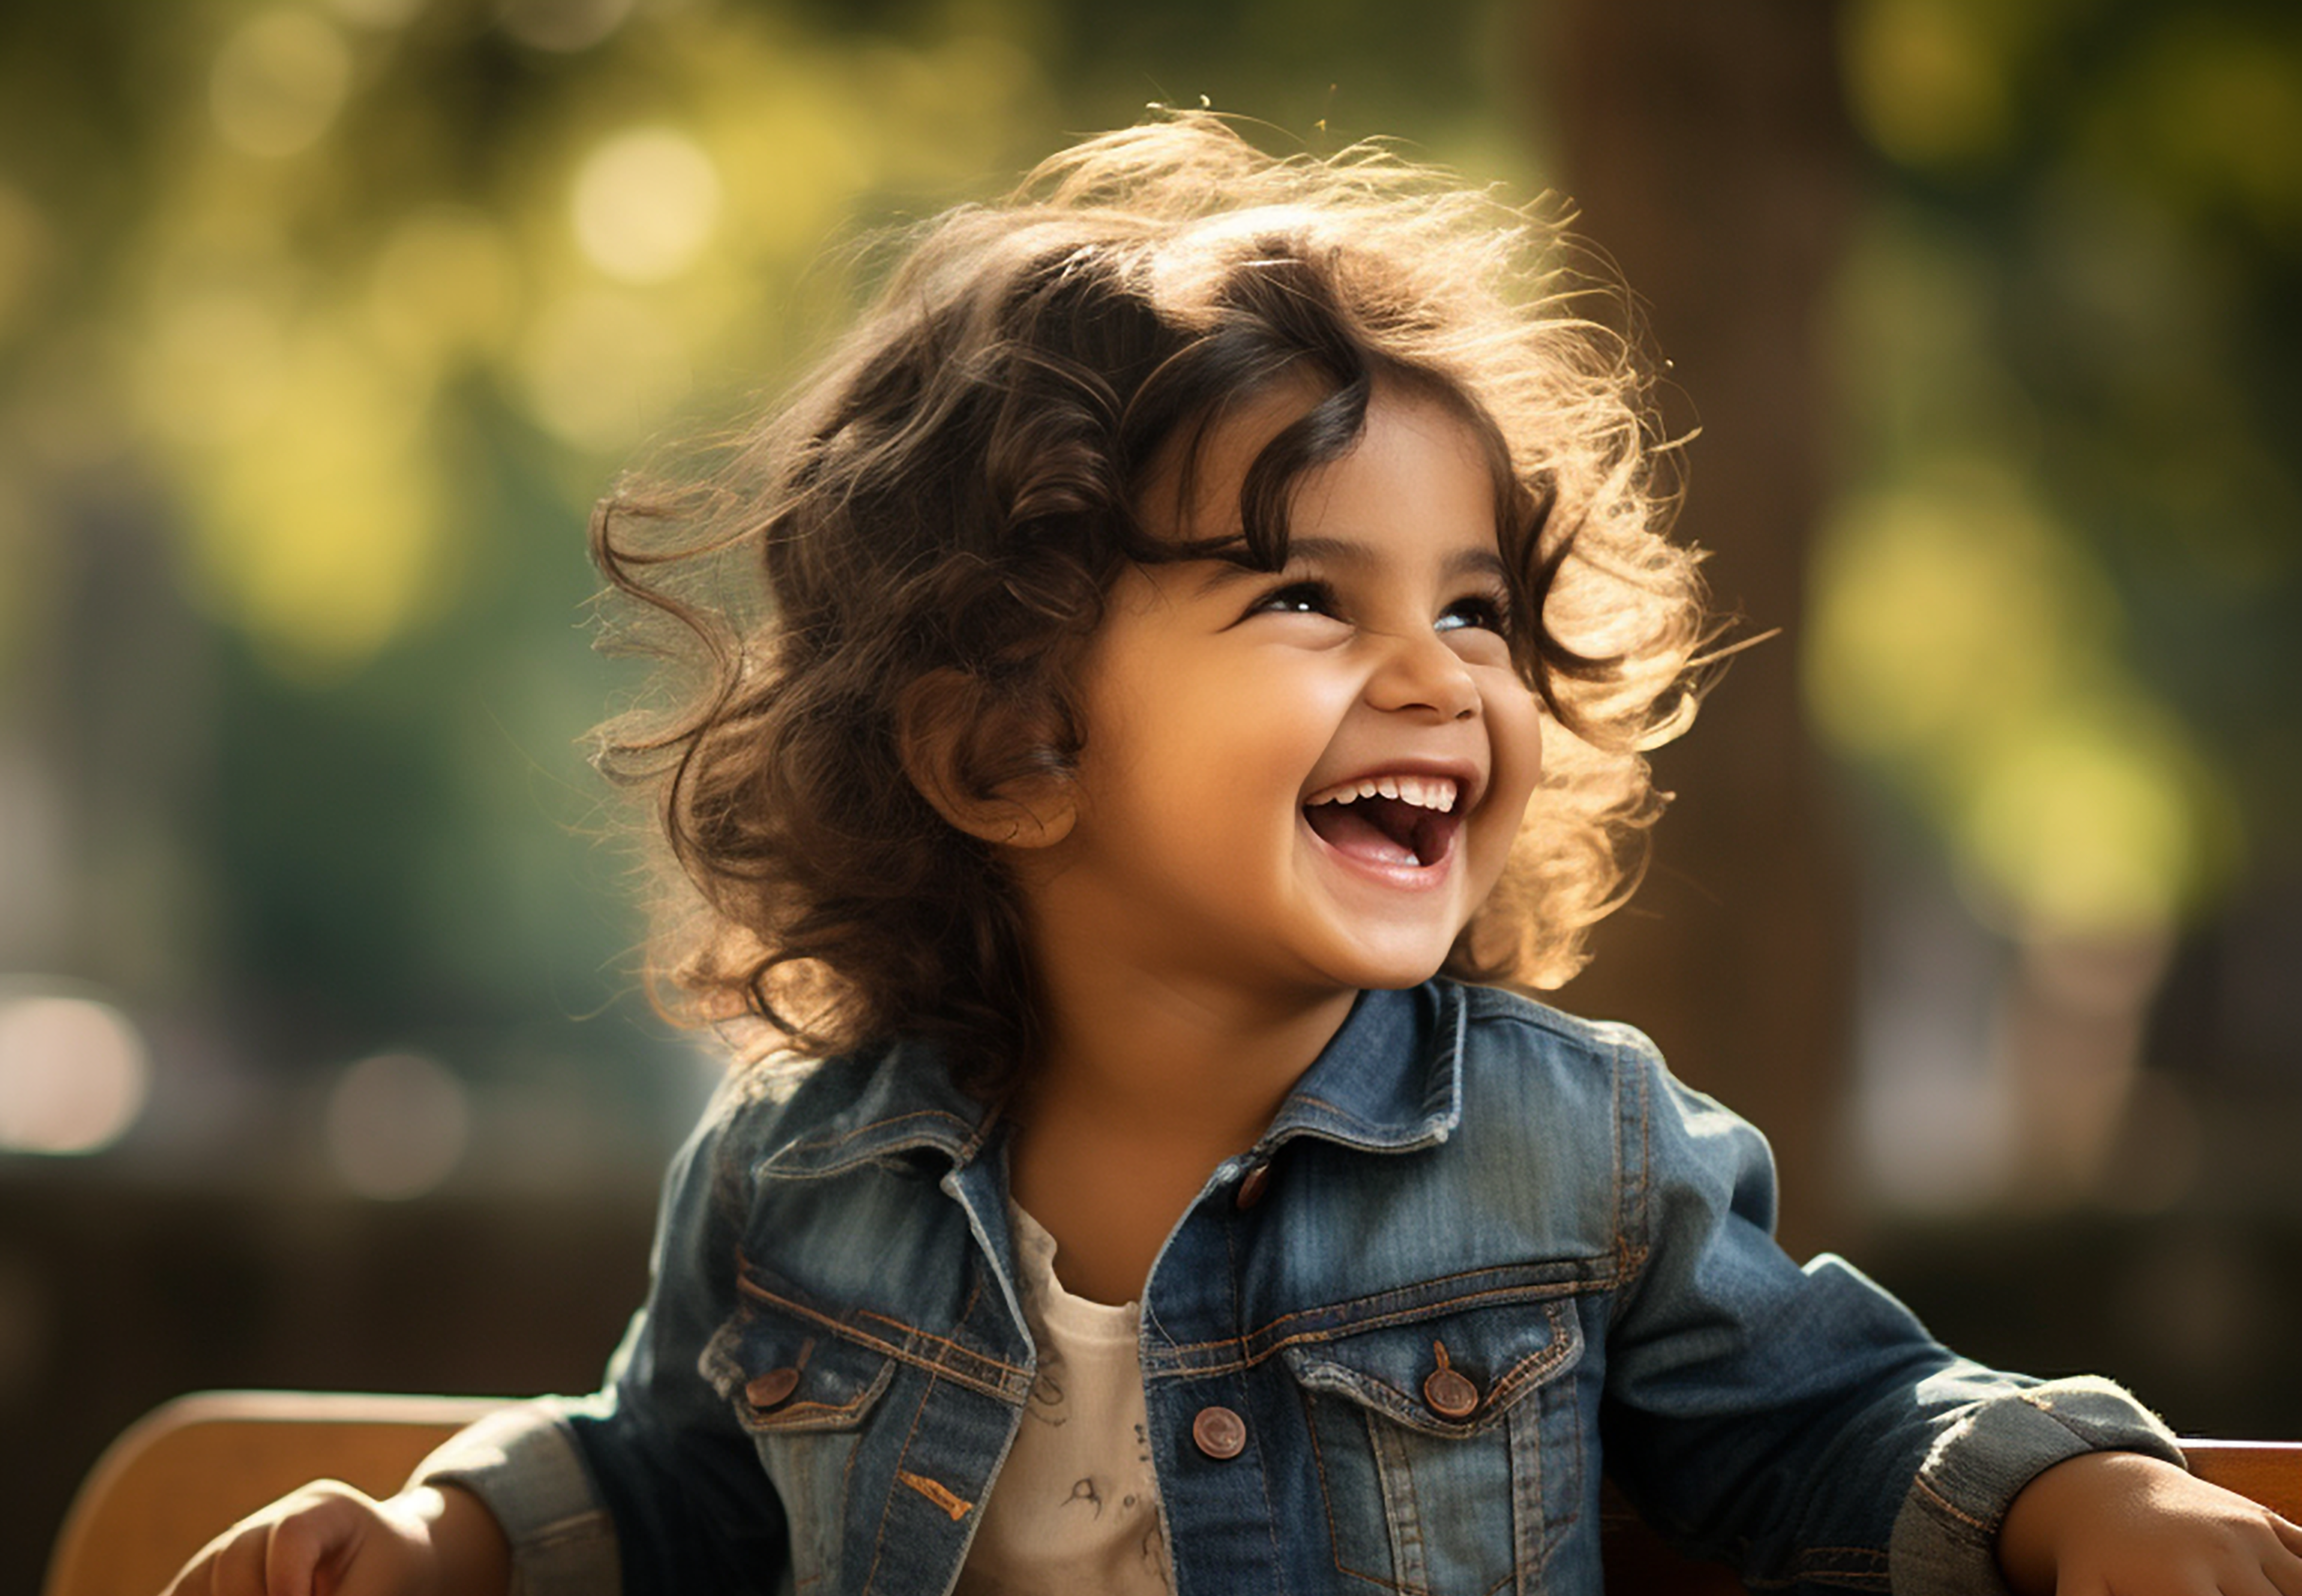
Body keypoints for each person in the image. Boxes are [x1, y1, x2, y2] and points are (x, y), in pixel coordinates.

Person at [163, 113, 2302, 1596]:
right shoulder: (799, 1178)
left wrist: (2078, 1495)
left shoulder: (1579, 1158)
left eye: (1474, 608)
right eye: (1308, 599)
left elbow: (1837, 1426)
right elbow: (669, 1483)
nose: (1435, 674)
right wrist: (450, 1534)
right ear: (1007, 738)